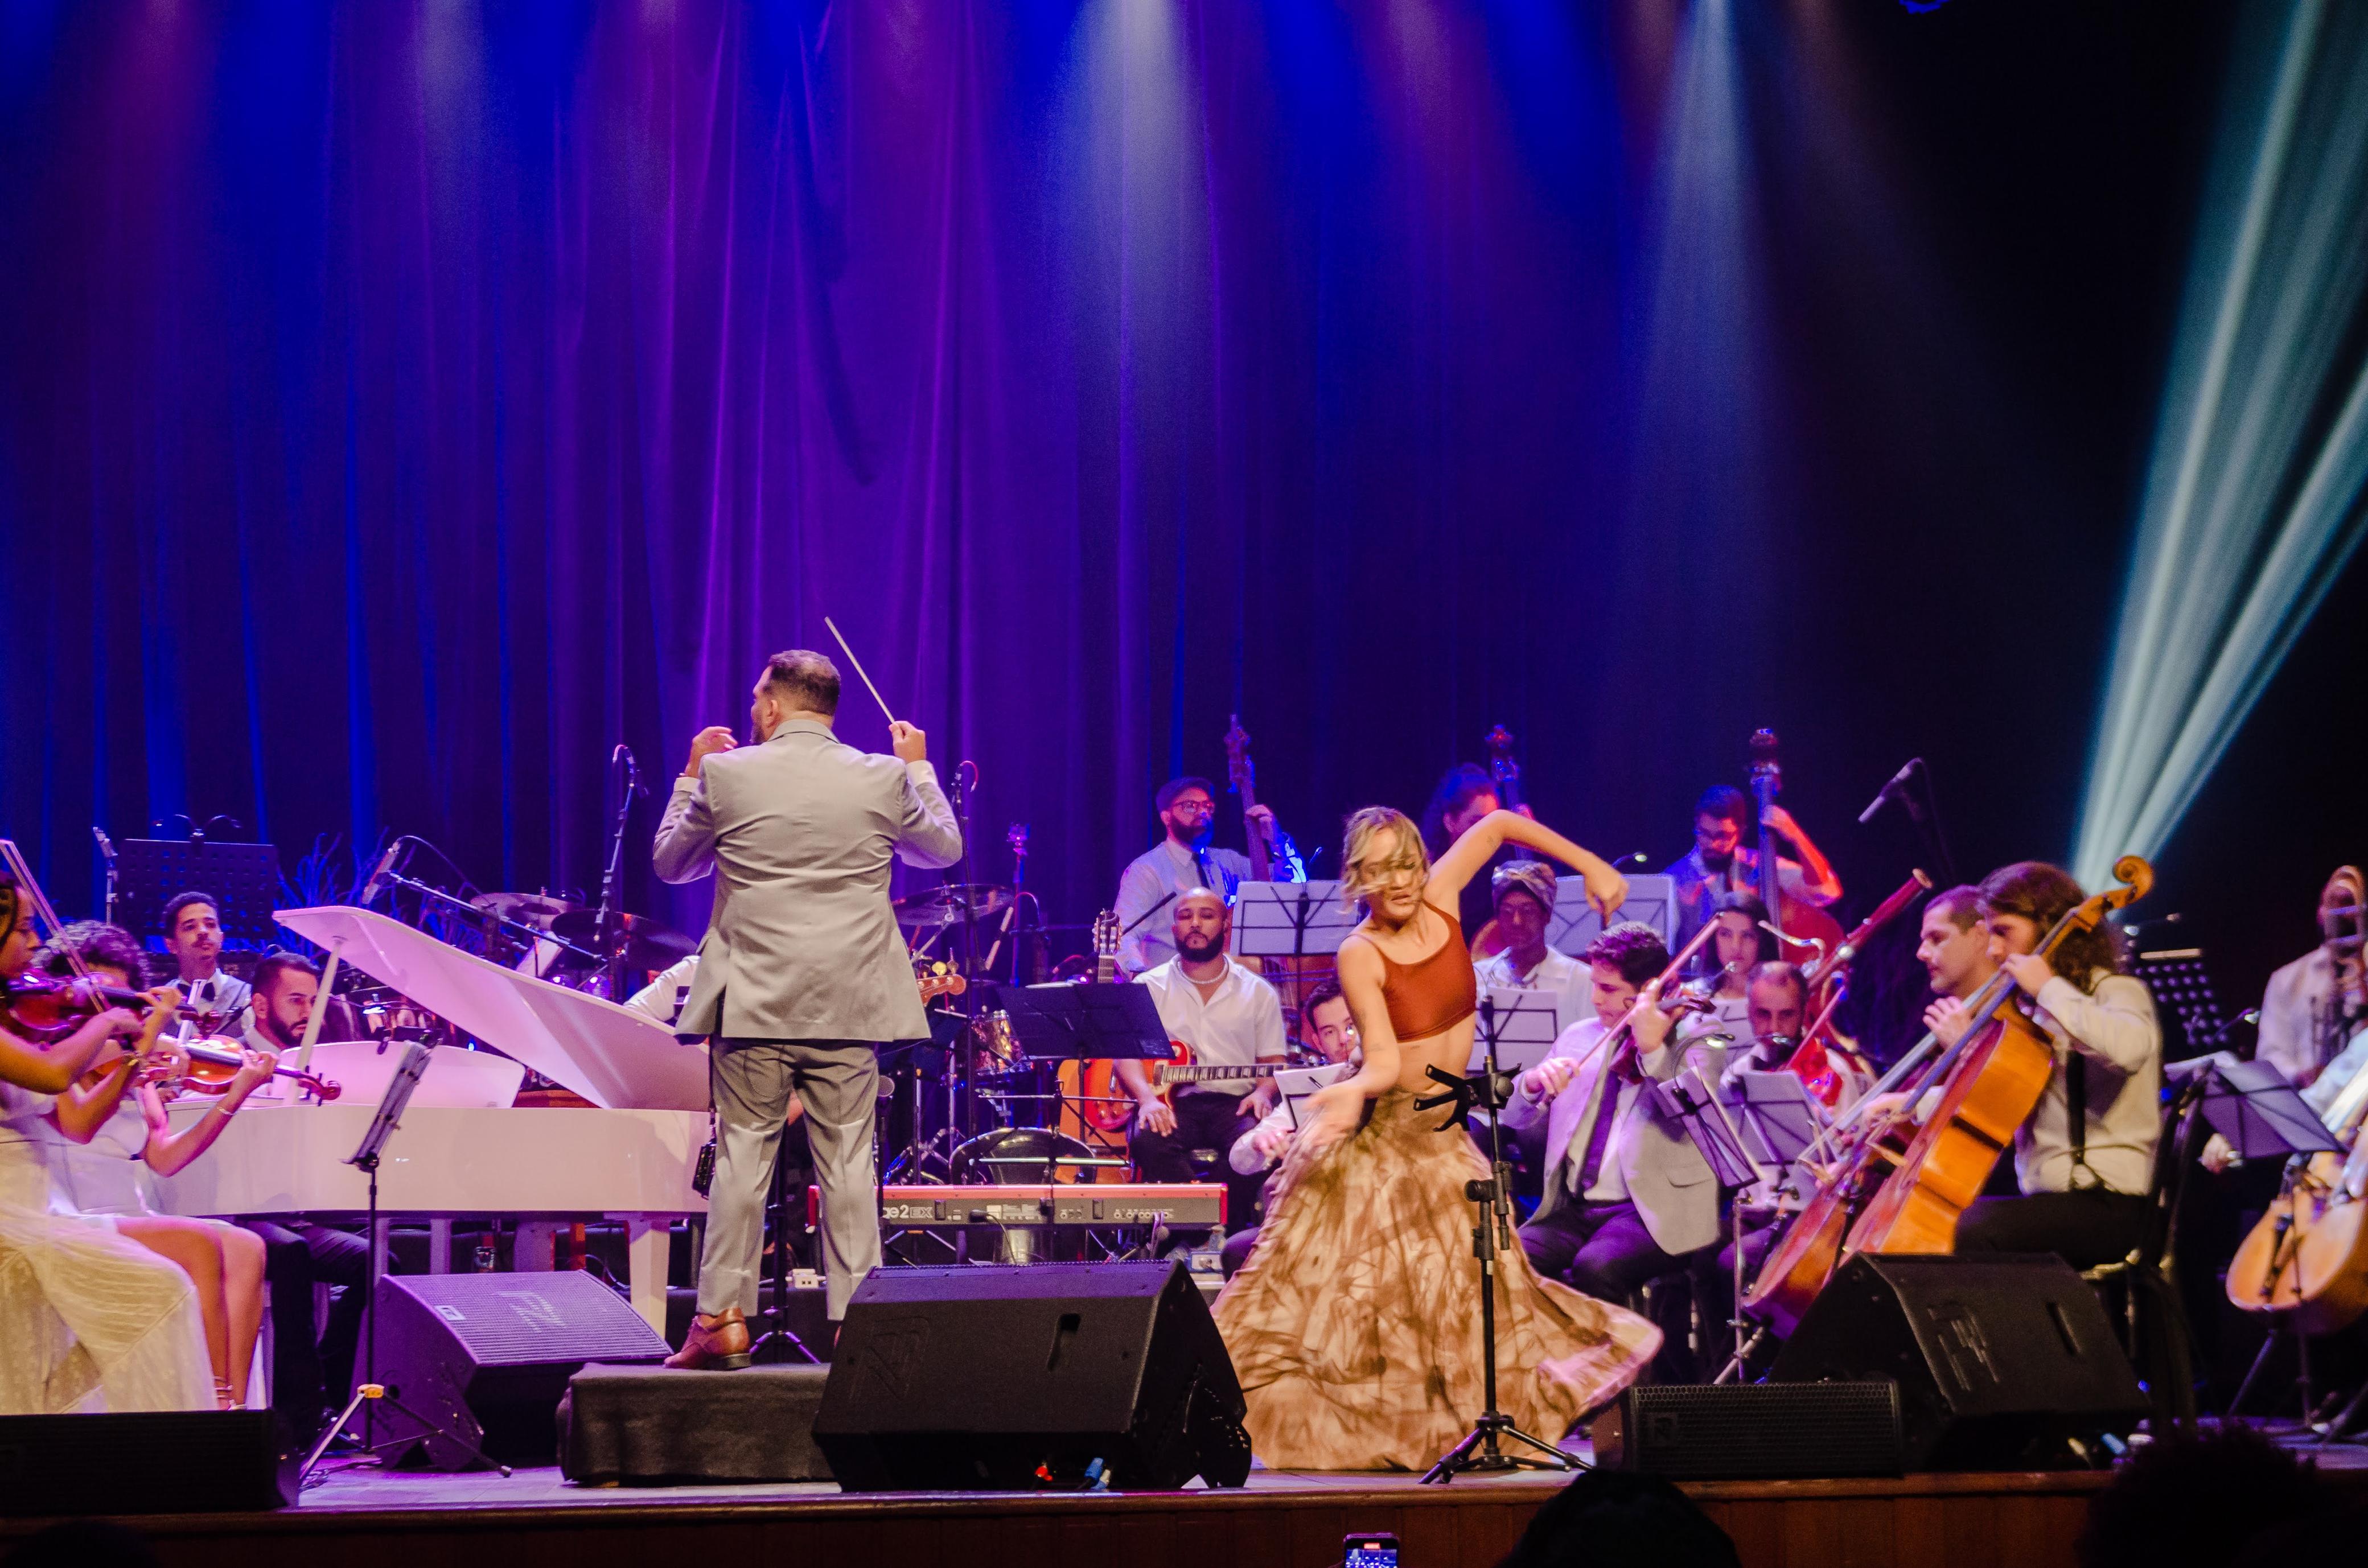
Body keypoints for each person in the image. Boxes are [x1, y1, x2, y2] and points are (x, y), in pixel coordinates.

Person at [1215, 805, 1658, 1471]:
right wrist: (1348, 1092)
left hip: (1448, 1141)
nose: (1395, 881)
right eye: (1377, 869)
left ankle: (1458, 1441)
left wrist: (1590, 865)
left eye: (1404, 864)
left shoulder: (1444, 894)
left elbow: (1503, 822)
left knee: (1468, 1302)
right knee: (1350, 1310)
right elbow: (1386, 1063)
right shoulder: (1359, 951)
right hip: (1389, 1146)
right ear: (1357, 876)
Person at [653, 649, 962, 1367]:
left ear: (770, 705)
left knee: (740, 1158)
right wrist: (917, 765)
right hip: (849, 1001)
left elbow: (673, 862)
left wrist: (691, 772)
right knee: (850, 1163)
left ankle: (721, 1320)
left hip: (753, 1000)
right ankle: (860, 1326)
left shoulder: (727, 774)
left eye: (757, 699)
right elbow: (942, 849)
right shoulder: (880, 774)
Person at [0, 869, 214, 1413]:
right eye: (23, 929)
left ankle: (53, 1429)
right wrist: (108, 1019)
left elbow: (75, 1124)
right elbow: (52, 1075)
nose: (34, 943)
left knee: (161, 1293)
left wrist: (135, 1050)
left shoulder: (17, 1018)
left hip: (42, 1208)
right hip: (11, 1215)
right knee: (161, 1292)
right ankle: (166, 1462)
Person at [34, 923, 272, 1410]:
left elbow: (166, 1158)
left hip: (129, 1208)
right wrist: (137, 1048)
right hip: (72, 1207)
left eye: (118, 999)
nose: (105, 1012)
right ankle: (210, 1405)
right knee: (201, 1242)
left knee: (247, 1246)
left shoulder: (133, 1063)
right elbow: (76, 1115)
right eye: (94, 997)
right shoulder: (55, 1052)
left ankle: (236, 1408)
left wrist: (235, 1093)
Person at [1937, 862, 2163, 1270]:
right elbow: (1997, 1101)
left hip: (2112, 1203)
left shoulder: (2114, 990)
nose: (1994, 950)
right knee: (1948, 1226)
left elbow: (2129, 1050)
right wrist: (1905, 1102)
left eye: (2004, 931)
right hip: (2050, 1205)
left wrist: (2048, 988)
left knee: (1974, 1231)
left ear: (2049, 925)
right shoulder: (2031, 1014)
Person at [1503, 923, 1729, 1304]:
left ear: (1648, 991)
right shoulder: (1579, 1035)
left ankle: (1615, 1364)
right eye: (1594, 983)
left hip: (1649, 1212)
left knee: (1596, 1267)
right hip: (1573, 1209)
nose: (1594, 998)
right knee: (1507, 1261)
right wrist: (1531, 1084)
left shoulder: (1697, 1032)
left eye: (1608, 988)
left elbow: (1695, 1116)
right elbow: (1515, 1118)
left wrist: (1654, 1048)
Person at [219, 949, 374, 1431]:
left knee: (378, 1255)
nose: (309, 1013)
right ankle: (299, 1413)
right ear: (262, 1006)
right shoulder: (224, 1054)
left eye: (313, 1001)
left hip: (298, 1205)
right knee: (292, 1253)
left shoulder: (320, 1062)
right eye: (295, 1001)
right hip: (236, 1208)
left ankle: (332, 1383)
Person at [1119, 889, 1287, 1243]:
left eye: (1207, 915)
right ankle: (1202, 1228)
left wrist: (1263, 1092)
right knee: (1147, 1140)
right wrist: (1147, 1099)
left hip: (1234, 1103)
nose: (1195, 923)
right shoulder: (1148, 986)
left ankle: (1222, 1231)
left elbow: (1273, 1063)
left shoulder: (1258, 992)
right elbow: (1126, 1056)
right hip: (1171, 1103)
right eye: (1185, 916)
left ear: (1225, 923)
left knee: (1259, 1145)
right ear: (1175, 927)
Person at [1220, 978, 1359, 1276]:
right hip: (1317, 1221)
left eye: (1350, 1026)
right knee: (1236, 1249)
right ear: (1319, 1043)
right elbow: (1238, 1158)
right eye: (1329, 1032)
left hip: (1373, 1217)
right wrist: (1261, 1142)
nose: (1343, 1040)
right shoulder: (1311, 1090)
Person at [1111, 777, 1272, 975]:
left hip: (1229, 989)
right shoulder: (1147, 870)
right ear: (1166, 817)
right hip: (1172, 991)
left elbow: (1290, 886)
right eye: (1190, 806)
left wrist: (1278, 842)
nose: (1203, 812)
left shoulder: (1230, 862)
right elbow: (1123, 936)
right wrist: (1142, 981)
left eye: (1207, 806)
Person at [1664, 786, 1841, 947]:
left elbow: (1825, 891)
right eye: (1704, 834)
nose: (1713, 844)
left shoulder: (1760, 865)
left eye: (1723, 836)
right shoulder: (1673, 878)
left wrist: (1796, 836)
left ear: (1741, 832)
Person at [2254, 866, 2364, 1088]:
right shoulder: (2286, 979)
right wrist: (2301, 1075)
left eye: (2349, 904)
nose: (2341, 912)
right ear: (2320, 911)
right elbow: (2270, 1052)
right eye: (2332, 903)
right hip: (2308, 1103)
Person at [1471, 861, 1590, 1034]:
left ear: (1546, 916)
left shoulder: (1581, 979)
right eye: (1507, 912)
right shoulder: (1479, 976)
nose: (1516, 921)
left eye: (1528, 911)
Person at [159, 891, 250, 1036]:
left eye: (210, 925)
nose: (203, 931)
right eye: (190, 927)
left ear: (221, 939)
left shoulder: (247, 997)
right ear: (171, 945)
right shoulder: (158, 1002)